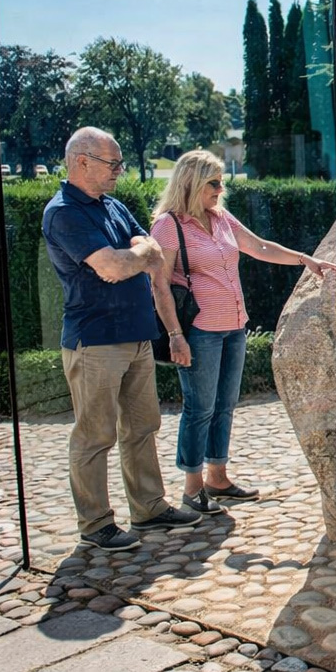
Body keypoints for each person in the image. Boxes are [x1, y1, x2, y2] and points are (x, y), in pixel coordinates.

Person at [151, 149, 336, 515]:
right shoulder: (168, 226)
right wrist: (175, 335)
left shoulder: (220, 218)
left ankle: (217, 478)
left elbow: (259, 247)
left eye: (222, 183)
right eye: (214, 183)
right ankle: (192, 490)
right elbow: (159, 287)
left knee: (224, 406)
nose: (221, 190)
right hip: (199, 331)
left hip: (235, 327)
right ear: (191, 183)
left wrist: (305, 259)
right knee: (199, 408)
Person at [43, 127, 201, 553]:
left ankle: (149, 507)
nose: (119, 170)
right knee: (95, 435)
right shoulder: (63, 213)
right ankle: (95, 523)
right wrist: (138, 257)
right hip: (94, 341)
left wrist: (136, 256)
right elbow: (112, 267)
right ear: (82, 162)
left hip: (136, 335)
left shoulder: (112, 205)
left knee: (142, 427)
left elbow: (152, 251)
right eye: (112, 163)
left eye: (118, 163)